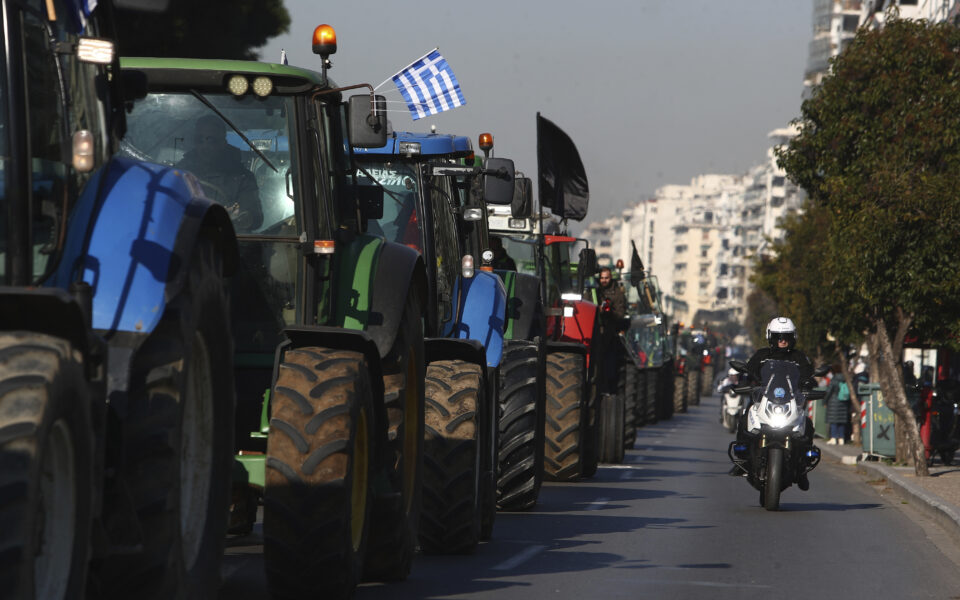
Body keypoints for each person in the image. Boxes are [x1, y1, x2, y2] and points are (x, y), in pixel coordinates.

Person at [729, 316, 817, 490]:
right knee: (745, 417)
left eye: (786, 337)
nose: (782, 340)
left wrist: (809, 385)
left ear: (793, 337)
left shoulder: (799, 357)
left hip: (790, 403)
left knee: (807, 423)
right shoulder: (761, 356)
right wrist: (746, 383)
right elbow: (749, 372)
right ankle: (742, 459)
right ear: (771, 336)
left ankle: (802, 469)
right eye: (778, 336)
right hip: (763, 400)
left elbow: (809, 376)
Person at [176, 114, 263, 232]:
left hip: (228, 241)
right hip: (187, 241)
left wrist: (239, 217)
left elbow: (255, 217)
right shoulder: (179, 175)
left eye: (211, 140)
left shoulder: (242, 177)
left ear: (223, 143)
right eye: (199, 140)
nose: (204, 146)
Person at [596, 267, 627, 395]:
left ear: (611, 278)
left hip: (610, 332)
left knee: (609, 363)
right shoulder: (594, 291)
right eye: (602, 278)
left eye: (606, 278)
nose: (604, 280)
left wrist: (609, 312)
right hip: (595, 331)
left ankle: (608, 388)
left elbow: (620, 314)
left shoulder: (618, 294)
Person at [823, 368, 850, 445]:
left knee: (833, 421)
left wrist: (824, 401)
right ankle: (841, 439)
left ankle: (833, 438)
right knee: (841, 422)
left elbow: (828, 392)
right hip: (844, 402)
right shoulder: (845, 380)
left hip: (833, 402)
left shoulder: (834, 380)